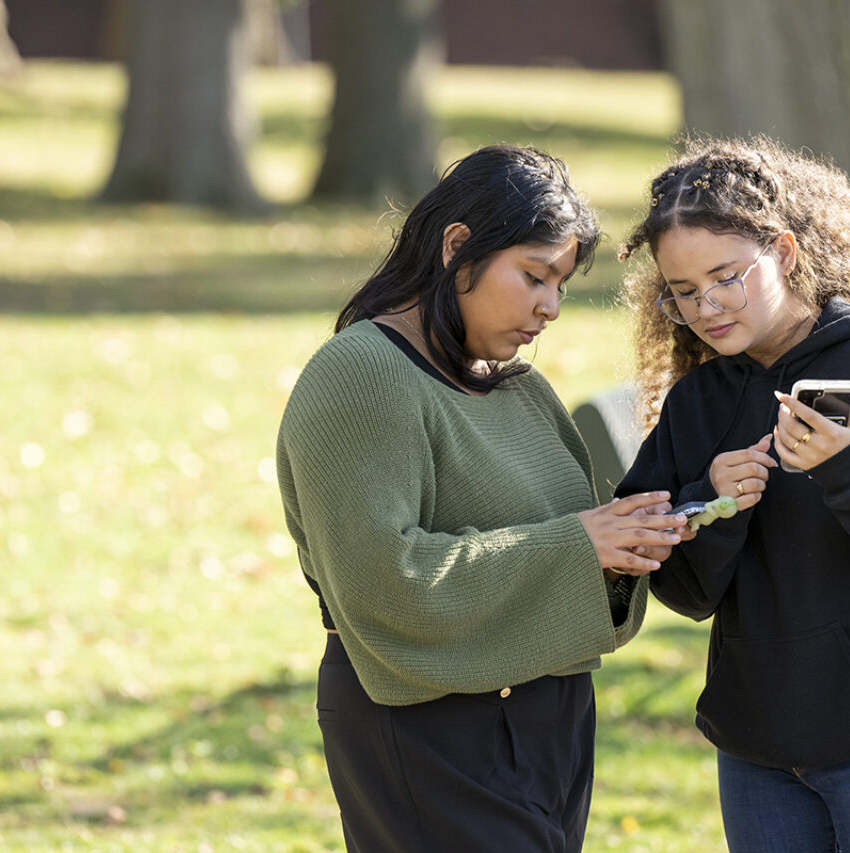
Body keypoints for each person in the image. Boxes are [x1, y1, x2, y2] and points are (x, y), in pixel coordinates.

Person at [276, 144, 685, 852]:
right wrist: (581, 545)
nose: (550, 307)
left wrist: (630, 541)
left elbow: (584, 559)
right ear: (458, 247)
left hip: (550, 722)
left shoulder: (522, 388)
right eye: (533, 276)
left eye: (560, 284)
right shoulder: (362, 374)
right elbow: (382, 580)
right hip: (430, 729)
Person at [614, 136, 850, 853]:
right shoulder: (696, 405)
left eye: (725, 276)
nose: (707, 306)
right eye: (684, 292)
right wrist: (710, 502)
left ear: (784, 252)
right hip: (758, 756)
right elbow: (682, 589)